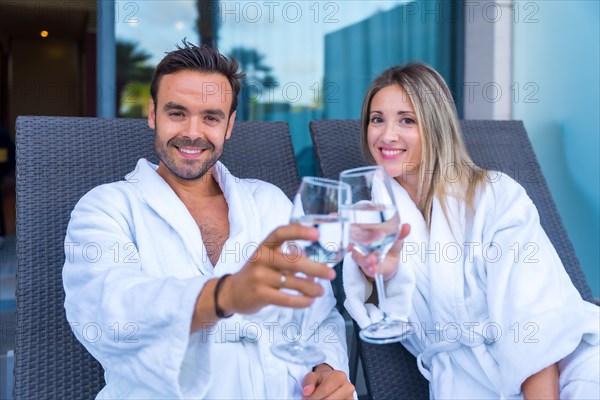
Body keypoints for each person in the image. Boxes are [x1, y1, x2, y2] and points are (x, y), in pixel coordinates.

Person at [63, 41, 355, 399]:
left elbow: (319, 316)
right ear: (152, 113)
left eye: (211, 117)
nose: (193, 132)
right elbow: (106, 314)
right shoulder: (107, 208)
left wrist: (327, 368)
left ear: (229, 125)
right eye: (177, 113)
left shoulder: (268, 202)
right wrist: (223, 295)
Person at [342, 63, 599, 399]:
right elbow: (379, 317)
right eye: (377, 119)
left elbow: (533, 325)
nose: (387, 135)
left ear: (436, 127)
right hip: (462, 382)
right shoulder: (374, 219)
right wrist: (384, 277)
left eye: (407, 119)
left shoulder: (497, 197)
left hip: (565, 372)